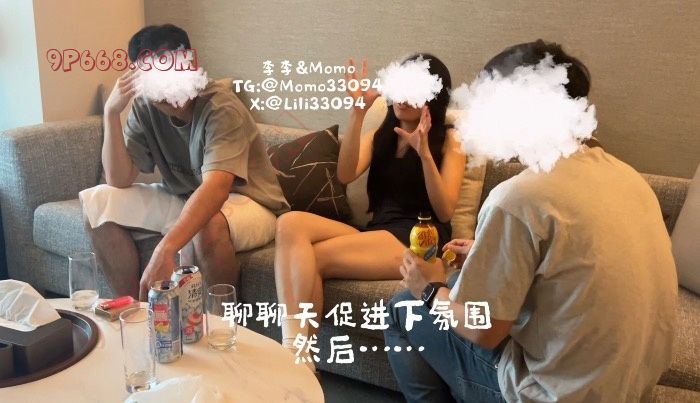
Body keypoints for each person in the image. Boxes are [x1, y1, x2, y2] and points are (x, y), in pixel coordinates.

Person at [384, 40, 678, 403]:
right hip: (629, 387)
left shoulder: (518, 198)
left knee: (402, 308)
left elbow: (485, 330)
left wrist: (428, 290)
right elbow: (584, 260)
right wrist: (486, 251)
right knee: (459, 282)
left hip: (556, 395)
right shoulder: (630, 179)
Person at [274, 54, 466, 371]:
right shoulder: (381, 136)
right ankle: (297, 352)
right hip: (378, 231)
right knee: (289, 223)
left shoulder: (450, 139)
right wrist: (358, 112)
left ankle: (298, 360)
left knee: (312, 258)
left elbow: (444, 212)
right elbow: (345, 174)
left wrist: (424, 155)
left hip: (418, 241)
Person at [80, 24, 289, 300]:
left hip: (252, 202)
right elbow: (118, 179)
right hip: (185, 196)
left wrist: (165, 248)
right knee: (97, 203)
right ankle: (134, 311)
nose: (171, 96)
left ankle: (223, 321)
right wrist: (111, 113)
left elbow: (216, 190)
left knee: (206, 225)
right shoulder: (145, 106)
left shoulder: (221, 107)